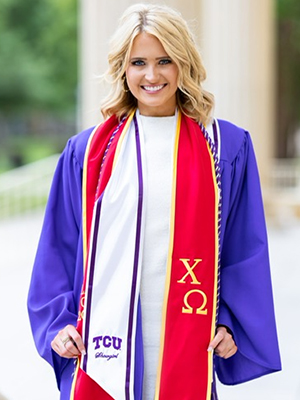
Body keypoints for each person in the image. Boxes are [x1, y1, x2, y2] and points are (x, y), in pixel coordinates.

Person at [27, 3, 281, 400]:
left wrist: (230, 322)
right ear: (122, 69)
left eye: (165, 60)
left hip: (189, 341)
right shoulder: (88, 153)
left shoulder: (225, 148)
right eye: (138, 62)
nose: (151, 75)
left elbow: (243, 247)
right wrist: (56, 325)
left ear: (184, 63)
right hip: (101, 348)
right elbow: (57, 250)